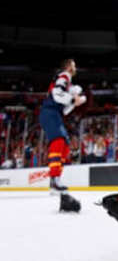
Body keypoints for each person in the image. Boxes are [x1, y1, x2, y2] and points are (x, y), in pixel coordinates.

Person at [39, 59, 86, 193]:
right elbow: (57, 94)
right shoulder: (64, 76)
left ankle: (56, 180)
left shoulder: (67, 81)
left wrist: (74, 102)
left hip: (54, 114)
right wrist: (73, 99)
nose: (75, 67)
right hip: (50, 113)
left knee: (65, 147)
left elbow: (64, 109)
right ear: (68, 66)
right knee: (59, 141)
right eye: (74, 65)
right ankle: (54, 180)